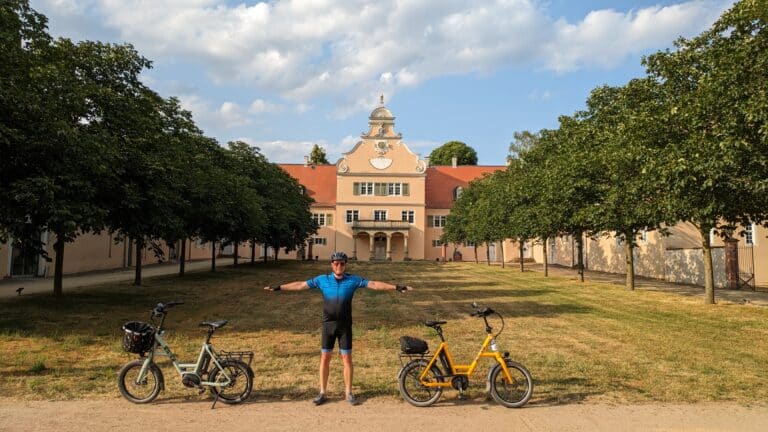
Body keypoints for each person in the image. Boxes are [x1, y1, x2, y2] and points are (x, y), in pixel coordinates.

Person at [264, 251, 412, 406]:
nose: (339, 266)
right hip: (328, 326)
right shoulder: (322, 280)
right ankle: (322, 392)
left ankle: (348, 392)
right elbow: (300, 285)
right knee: (325, 358)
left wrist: (396, 287)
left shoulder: (353, 280)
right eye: (336, 263)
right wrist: (278, 287)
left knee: (347, 359)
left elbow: (374, 284)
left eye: (342, 263)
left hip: (344, 326)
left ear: (345, 265)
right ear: (331, 265)